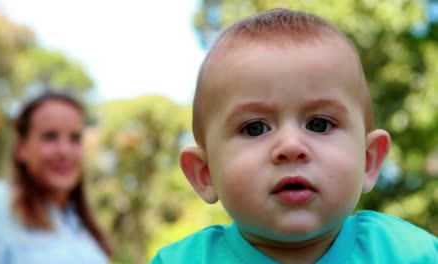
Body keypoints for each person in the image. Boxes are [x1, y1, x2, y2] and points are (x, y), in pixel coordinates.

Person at [152, 8, 438, 263]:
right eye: (255, 128)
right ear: (205, 173)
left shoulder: (411, 254)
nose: (290, 146)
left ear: (369, 160)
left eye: (320, 124)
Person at [0, 91, 112, 263]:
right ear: (21, 148)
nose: (64, 151)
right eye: (50, 137)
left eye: (75, 138)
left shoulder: (83, 232)